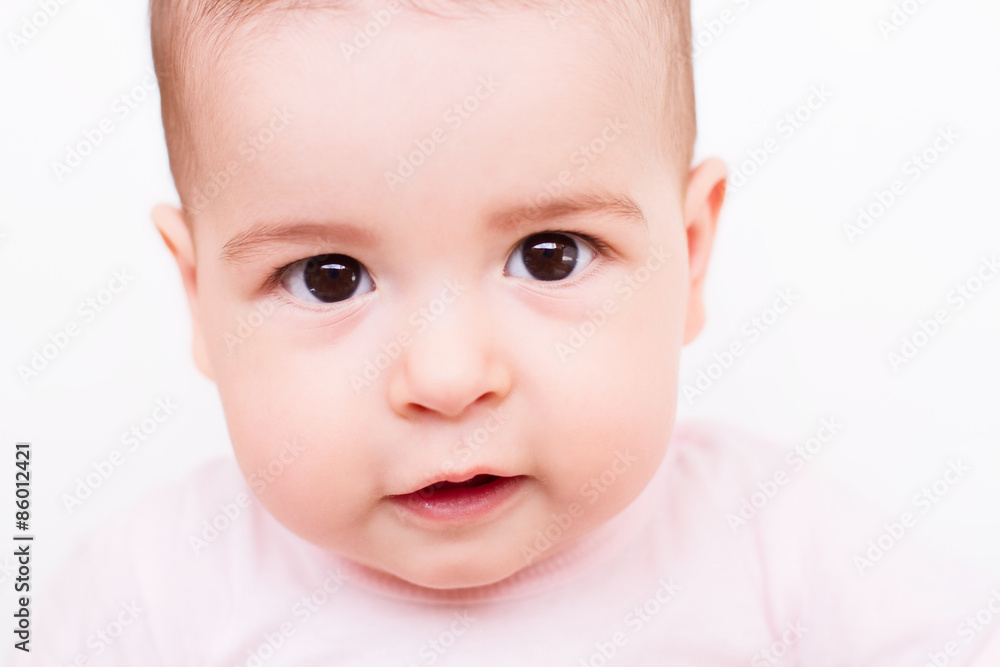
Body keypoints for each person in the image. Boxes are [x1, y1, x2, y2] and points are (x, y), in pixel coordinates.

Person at [24, 0, 1000, 664]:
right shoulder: (142, 598)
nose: (448, 377)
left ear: (690, 251)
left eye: (550, 255)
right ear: (197, 295)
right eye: (329, 277)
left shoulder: (784, 549)